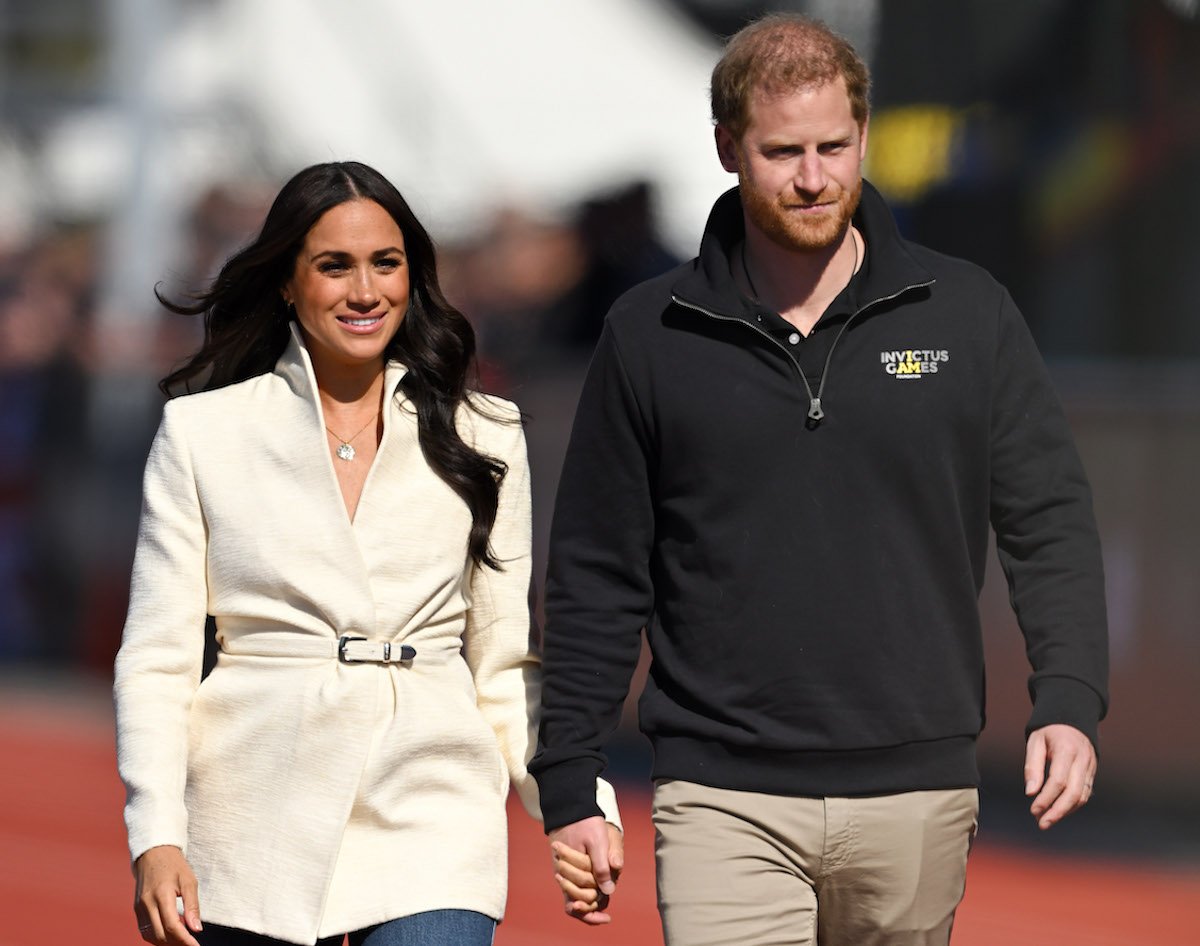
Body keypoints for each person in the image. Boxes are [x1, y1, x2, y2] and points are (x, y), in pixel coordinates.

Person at [530, 14, 1108, 946]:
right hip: (719, 796)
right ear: (728, 149)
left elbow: (1049, 520)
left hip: (919, 793)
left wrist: (1071, 698)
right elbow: (598, 568)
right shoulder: (648, 334)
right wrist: (571, 770)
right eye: (783, 151)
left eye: (835, 146)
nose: (813, 177)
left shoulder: (968, 314)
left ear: (864, 137)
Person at [113, 161, 620, 946]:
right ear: (286, 280)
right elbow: (158, 659)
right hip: (253, 813)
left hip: (433, 811)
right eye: (334, 265)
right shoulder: (202, 434)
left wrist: (572, 800)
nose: (365, 291)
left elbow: (503, 661)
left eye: (386, 263)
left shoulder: (485, 433)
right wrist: (157, 833)